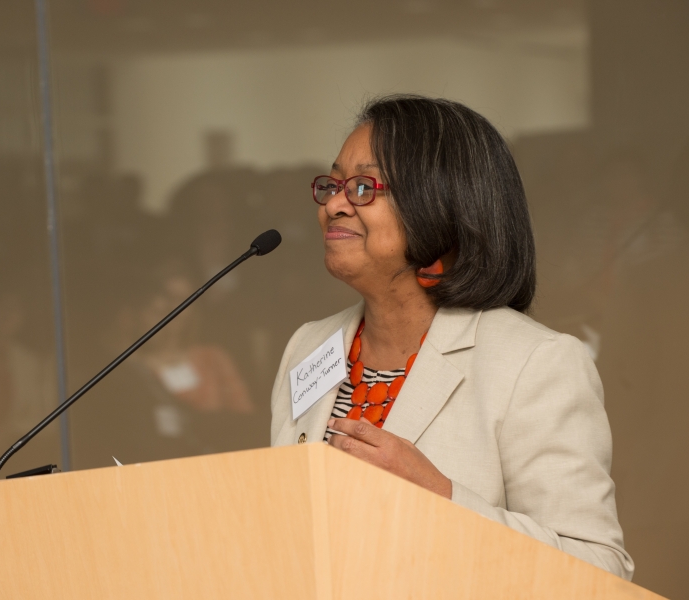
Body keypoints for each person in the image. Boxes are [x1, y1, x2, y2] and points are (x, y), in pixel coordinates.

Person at [269, 95, 634, 580]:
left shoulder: (537, 364)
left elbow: (599, 572)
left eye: (361, 187)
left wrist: (440, 496)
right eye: (333, 184)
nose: (334, 204)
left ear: (441, 205)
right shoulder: (308, 346)